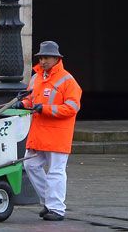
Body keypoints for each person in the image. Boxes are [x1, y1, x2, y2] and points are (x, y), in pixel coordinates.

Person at [19, 40, 82, 222]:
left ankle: (56, 208)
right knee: (30, 165)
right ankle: (49, 202)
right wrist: (22, 104)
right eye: (41, 58)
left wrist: (44, 109)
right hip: (40, 133)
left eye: (46, 57)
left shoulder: (68, 81)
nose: (43, 61)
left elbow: (72, 108)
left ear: (56, 59)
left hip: (57, 133)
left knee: (56, 170)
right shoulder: (36, 77)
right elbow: (30, 100)